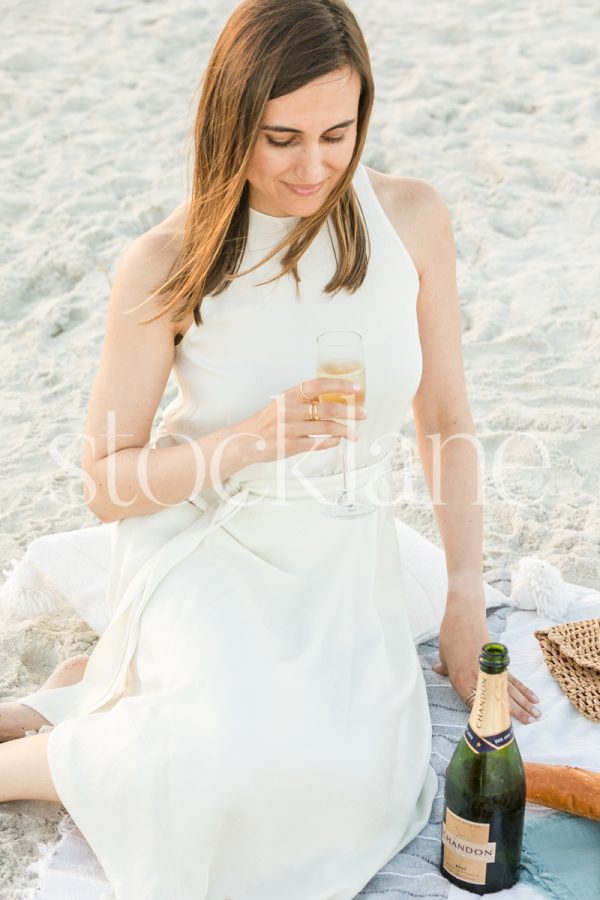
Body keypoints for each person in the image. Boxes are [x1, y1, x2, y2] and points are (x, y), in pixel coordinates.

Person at [0, 0, 539, 897]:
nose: (315, 166)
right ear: (230, 123)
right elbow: (106, 485)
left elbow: (444, 418)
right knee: (233, 776)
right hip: (210, 542)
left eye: (339, 132)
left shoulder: (411, 219)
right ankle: (50, 748)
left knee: (352, 787)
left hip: (339, 548)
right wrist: (244, 443)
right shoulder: (168, 260)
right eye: (281, 137)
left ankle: (87, 692)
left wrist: (462, 597)